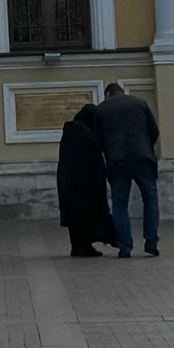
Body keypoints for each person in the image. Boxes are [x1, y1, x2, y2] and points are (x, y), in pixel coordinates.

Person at [101, 80, 161, 256]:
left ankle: (125, 246)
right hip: (143, 157)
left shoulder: (102, 109)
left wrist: (109, 151)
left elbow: (97, 137)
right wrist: (144, 147)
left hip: (117, 160)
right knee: (150, 198)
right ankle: (150, 242)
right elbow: (154, 131)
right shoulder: (139, 103)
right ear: (122, 91)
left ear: (107, 95)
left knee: (119, 203)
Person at [55, 96, 115, 258]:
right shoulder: (86, 135)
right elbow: (92, 162)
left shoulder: (70, 132)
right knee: (86, 216)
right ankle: (84, 247)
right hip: (84, 185)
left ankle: (78, 247)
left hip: (68, 183)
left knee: (76, 219)